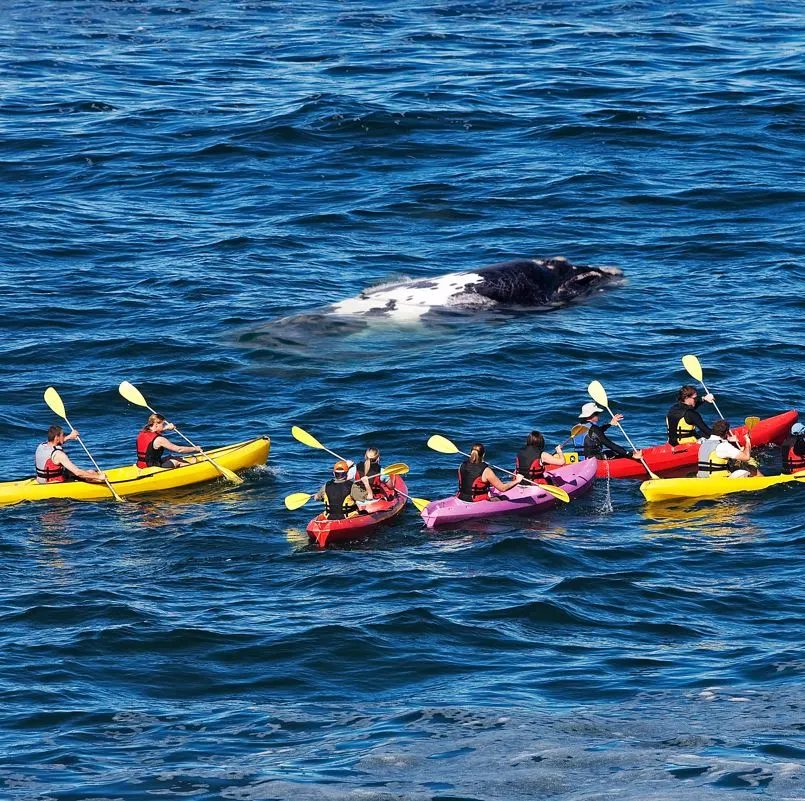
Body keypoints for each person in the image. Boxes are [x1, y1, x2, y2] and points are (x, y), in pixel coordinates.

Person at [35, 425, 107, 484]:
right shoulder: (59, 454)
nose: (63, 437)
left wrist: (70, 436)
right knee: (91, 475)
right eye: (62, 435)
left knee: (90, 472)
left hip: (41, 480)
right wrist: (99, 477)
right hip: (54, 483)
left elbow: (56, 443)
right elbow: (77, 472)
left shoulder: (41, 446)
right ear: (56, 438)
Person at [457, 443, 522, 502]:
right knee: (504, 498)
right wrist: (517, 480)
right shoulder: (486, 470)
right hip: (476, 500)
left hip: (461, 497)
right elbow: (503, 488)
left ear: (471, 453)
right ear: (483, 454)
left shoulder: (461, 465)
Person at [578, 403, 643, 461]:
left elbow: (594, 433)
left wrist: (610, 424)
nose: (598, 415)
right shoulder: (594, 428)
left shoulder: (578, 427)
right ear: (591, 415)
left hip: (580, 459)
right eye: (597, 413)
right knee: (613, 452)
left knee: (610, 452)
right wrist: (631, 454)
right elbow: (610, 444)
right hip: (592, 460)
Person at [136, 414, 202, 469]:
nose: (163, 426)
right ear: (156, 424)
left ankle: (190, 464)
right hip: (152, 468)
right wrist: (195, 449)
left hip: (141, 465)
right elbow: (179, 449)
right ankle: (195, 468)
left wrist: (167, 428)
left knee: (170, 457)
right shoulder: (160, 439)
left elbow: (154, 431)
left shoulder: (142, 433)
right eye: (163, 424)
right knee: (176, 461)